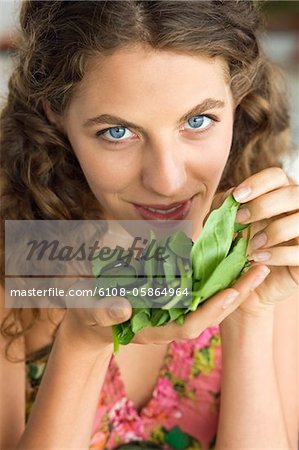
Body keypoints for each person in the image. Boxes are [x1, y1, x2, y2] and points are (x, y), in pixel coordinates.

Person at [0, 1, 298, 449]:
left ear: (238, 99)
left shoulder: (272, 246)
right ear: (54, 115)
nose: (167, 181)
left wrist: (250, 312)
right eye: (117, 133)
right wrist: (83, 343)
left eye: (198, 121)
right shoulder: (17, 265)